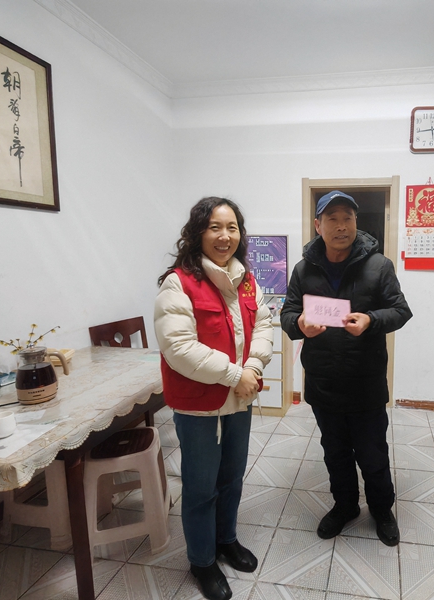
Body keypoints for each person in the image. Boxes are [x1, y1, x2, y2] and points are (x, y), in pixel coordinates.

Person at [154, 197, 273, 600]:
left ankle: (226, 540)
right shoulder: (178, 282)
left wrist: (253, 367)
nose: (225, 236)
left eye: (232, 228)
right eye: (215, 227)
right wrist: (236, 375)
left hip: (240, 399)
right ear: (198, 233)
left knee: (232, 478)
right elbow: (179, 347)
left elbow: (264, 325)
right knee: (201, 486)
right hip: (199, 406)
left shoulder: (247, 279)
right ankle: (202, 561)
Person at [281, 190, 412, 546]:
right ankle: (345, 506)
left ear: (356, 222)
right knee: (335, 452)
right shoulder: (304, 269)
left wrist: (371, 320)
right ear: (318, 225)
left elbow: (401, 311)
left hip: (365, 382)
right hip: (323, 382)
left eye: (348, 218)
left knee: (373, 453)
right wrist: (299, 324)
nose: (341, 226)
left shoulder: (379, 265)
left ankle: (382, 510)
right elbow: (288, 313)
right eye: (333, 219)